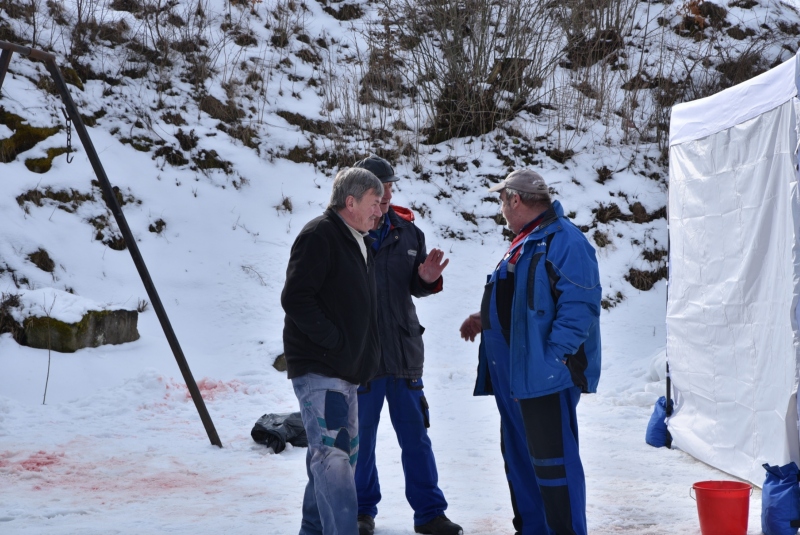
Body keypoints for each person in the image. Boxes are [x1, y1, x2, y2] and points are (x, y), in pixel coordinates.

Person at [459, 169, 601, 535]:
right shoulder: (528, 238)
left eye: (501, 200)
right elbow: (523, 299)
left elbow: (580, 308)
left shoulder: (565, 240)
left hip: (543, 376)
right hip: (515, 375)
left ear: (515, 199)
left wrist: (552, 361)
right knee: (521, 462)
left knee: (555, 466)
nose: (501, 209)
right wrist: (485, 317)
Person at [351, 155, 462, 535]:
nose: (386, 198)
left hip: (403, 354)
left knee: (416, 439)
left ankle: (430, 513)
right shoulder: (345, 232)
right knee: (360, 443)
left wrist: (427, 279)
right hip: (362, 358)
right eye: (379, 193)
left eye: (389, 190)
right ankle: (362, 511)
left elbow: (414, 286)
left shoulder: (409, 232)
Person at [281, 167, 384, 535]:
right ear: (351, 201)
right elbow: (296, 298)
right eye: (375, 203)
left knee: (332, 458)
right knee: (335, 459)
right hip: (322, 370)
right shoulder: (320, 235)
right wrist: (336, 344)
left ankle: (313, 530)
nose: (381, 210)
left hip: (344, 372)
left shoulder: (357, 239)